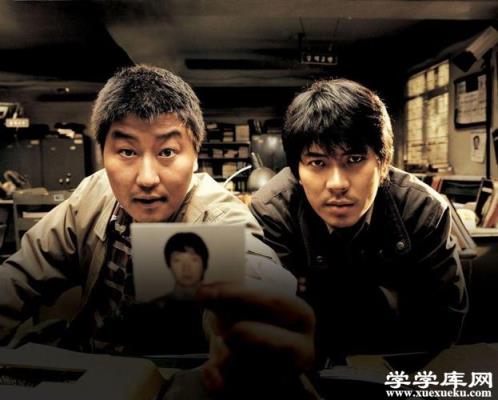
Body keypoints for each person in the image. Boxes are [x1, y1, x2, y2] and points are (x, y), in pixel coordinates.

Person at [0, 65, 315, 396]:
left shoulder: (217, 215)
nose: (147, 178)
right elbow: (19, 278)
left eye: (167, 152)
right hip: (87, 372)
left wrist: (260, 319)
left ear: (195, 156)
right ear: (102, 154)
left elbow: (249, 268)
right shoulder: (93, 194)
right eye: (127, 152)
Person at [250, 79, 468, 366]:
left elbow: (442, 324)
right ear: (297, 171)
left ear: (382, 163)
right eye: (318, 163)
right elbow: (271, 323)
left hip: (399, 372)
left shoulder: (422, 210)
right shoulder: (272, 211)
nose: (337, 184)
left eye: (354, 159)